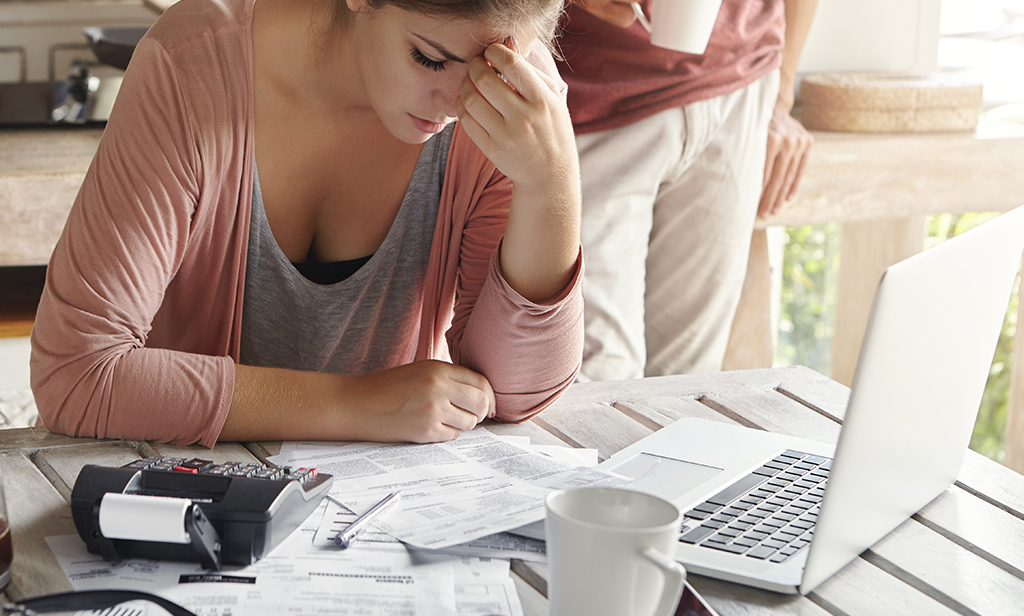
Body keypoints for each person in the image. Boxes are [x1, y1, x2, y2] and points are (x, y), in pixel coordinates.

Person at [30, 0, 584, 447]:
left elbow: (513, 397)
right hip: (177, 506)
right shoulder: (193, 65)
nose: (459, 104)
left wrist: (552, 187)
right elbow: (78, 376)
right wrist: (355, 405)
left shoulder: (508, 103)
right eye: (430, 59)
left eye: (486, 71)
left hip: (379, 518)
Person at [557, 0, 817, 380]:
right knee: (593, 377)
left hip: (738, 83)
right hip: (591, 97)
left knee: (687, 381)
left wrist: (780, 97)